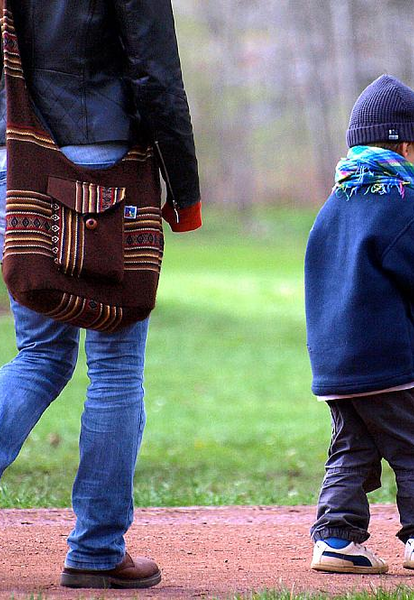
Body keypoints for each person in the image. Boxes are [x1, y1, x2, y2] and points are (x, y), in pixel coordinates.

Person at [0, 0, 201, 589]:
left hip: (19, 156)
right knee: (114, 371)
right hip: (100, 160)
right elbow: (156, 72)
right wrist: (184, 185)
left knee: (40, 356)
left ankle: (98, 547)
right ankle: (95, 550)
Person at [304, 74, 414, 575]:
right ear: (404, 144)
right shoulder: (403, 204)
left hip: (337, 363)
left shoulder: (333, 206)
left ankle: (336, 540)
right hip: (391, 361)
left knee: (353, 447)